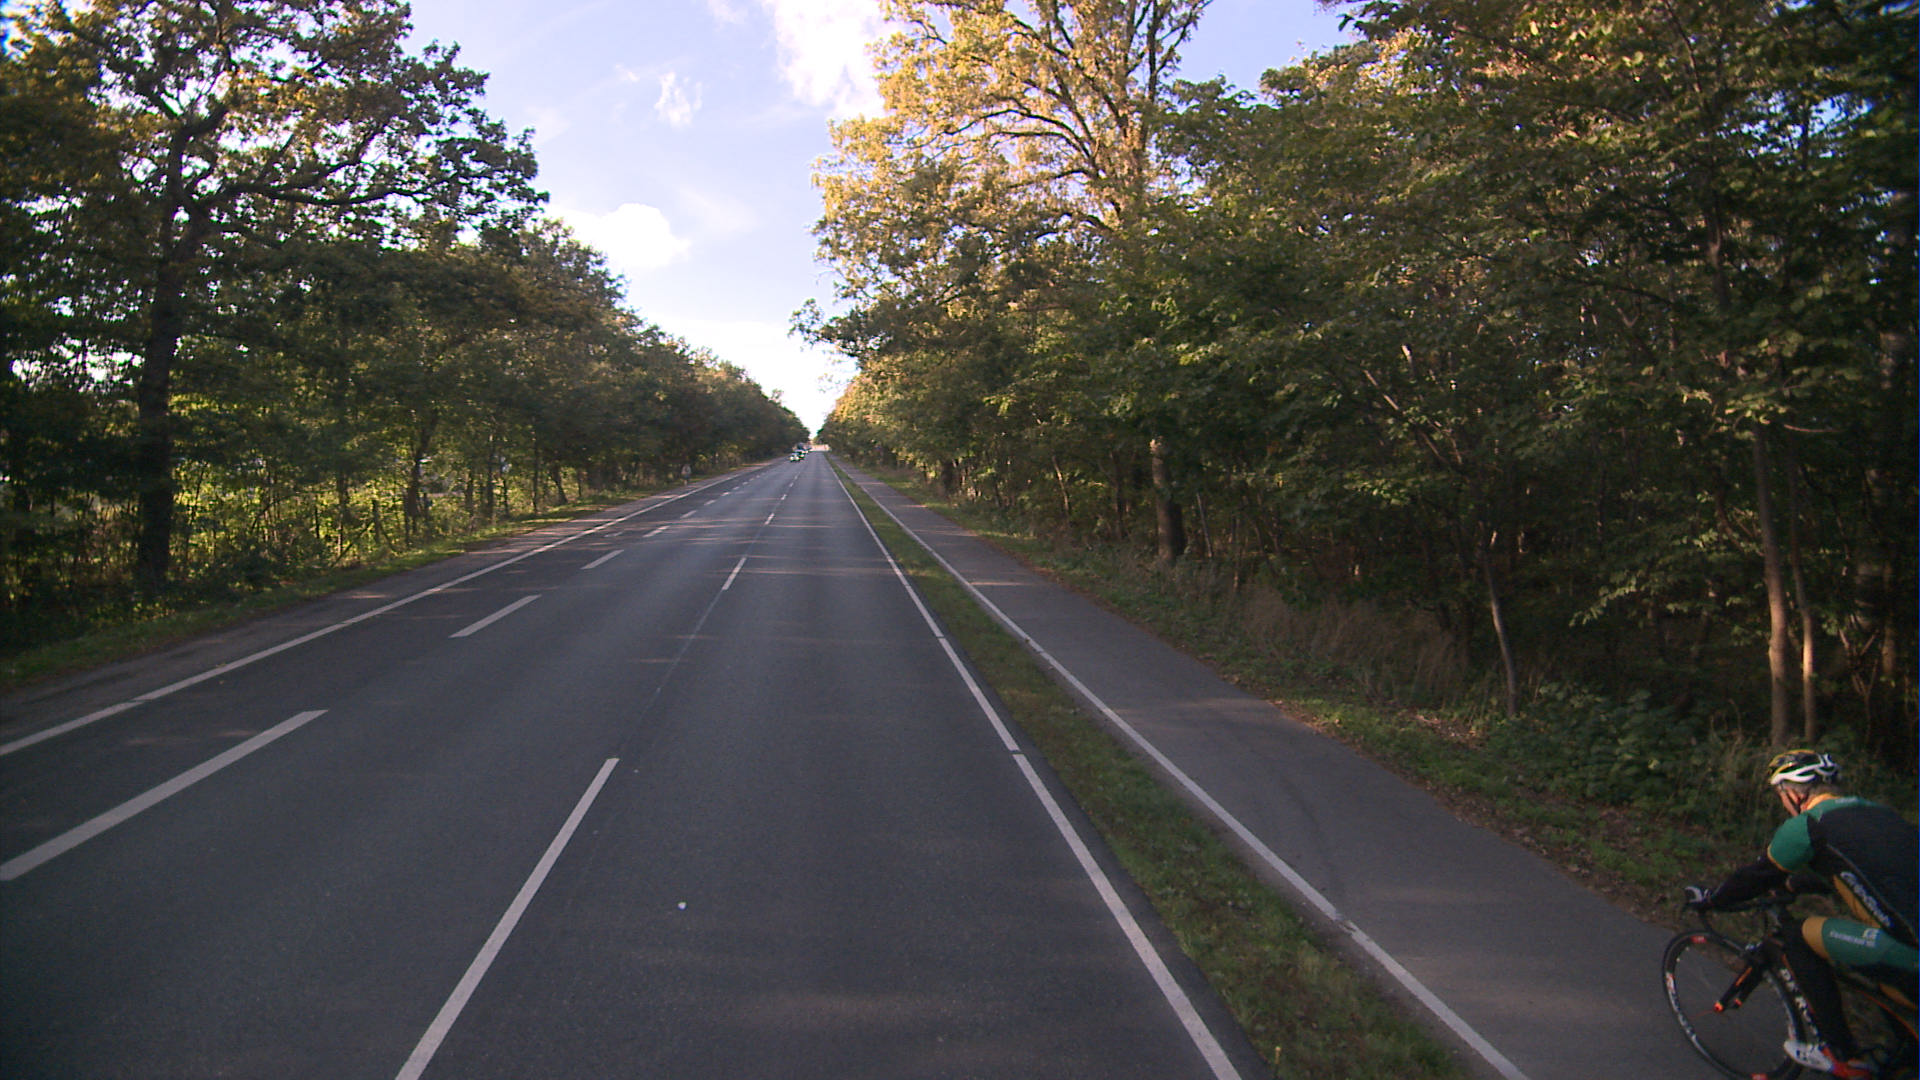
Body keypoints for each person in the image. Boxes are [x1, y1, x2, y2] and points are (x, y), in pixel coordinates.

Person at [1686, 750, 1918, 1078]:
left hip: (1911, 953)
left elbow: (1756, 877)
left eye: (1780, 794)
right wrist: (1796, 883)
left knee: (1797, 938)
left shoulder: (1809, 825)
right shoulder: (1881, 813)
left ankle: (1842, 1055)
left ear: (1794, 793)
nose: (1782, 802)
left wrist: (1711, 900)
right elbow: (1864, 872)